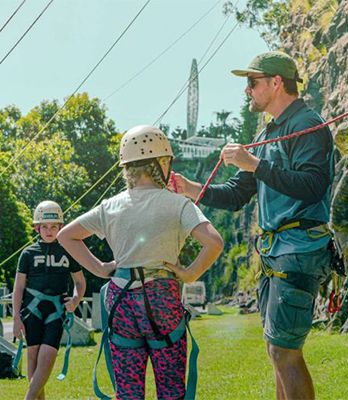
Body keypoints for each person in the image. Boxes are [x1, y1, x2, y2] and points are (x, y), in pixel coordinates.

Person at [173, 51, 334, 400]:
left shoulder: (307, 125)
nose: (247, 91)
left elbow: (312, 186)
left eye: (252, 82)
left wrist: (255, 164)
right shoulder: (270, 130)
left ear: (276, 83)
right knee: (277, 349)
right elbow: (236, 195)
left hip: (299, 248)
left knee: (284, 351)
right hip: (276, 252)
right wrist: (191, 190)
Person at [57, 125, 224, 400]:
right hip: (162, 297)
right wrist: (191, 274)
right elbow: (214, 242)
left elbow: (66, 236)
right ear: (162, 163)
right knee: (171, 388)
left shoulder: (110, 206)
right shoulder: (178, 204)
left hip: (121, 296)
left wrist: (100, 268)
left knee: (128, 390)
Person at [12, 200, 86, 400]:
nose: (49, 230)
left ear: (61, 227)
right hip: (31, 310)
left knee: (47, 357)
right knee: (33, 358)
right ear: (37, 227)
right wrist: (16, 318)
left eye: (54, 226)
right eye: (44, 226)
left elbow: (80, 282)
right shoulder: (27, 254)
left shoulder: (68, 251)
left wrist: (76, 300)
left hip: (56, 310)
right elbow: (18, 288)